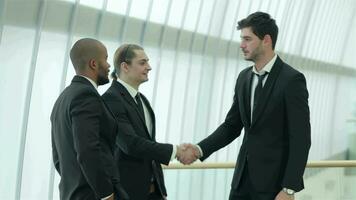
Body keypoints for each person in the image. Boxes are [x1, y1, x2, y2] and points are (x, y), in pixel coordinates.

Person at [181, 12, 311, 200]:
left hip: (274, 187)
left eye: (247, 39)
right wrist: (199, 149)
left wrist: (289, 188)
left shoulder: (292, 80)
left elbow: (301, 139)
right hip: (241, 184)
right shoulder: (244, 78)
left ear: (266, 40)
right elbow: (231, 126)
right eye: (242, 39)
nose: (242, 45)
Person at [102, 44, 186, 200]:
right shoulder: (111, 99)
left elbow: (148, 143)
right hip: (129, 193)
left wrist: (160, 189)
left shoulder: (142, 100)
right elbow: (130, 144)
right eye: (142, 63)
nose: (149, 67)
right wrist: (175, 151)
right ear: (125, 66)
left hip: (154, 192)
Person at [51, 38, 129, 200]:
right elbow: (88, 150)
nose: (109, 66)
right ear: (94, 64)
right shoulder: (86, 96)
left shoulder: (63, 98)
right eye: (106, 59)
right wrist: (106, 194)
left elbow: (58, 158)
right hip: (93, 194)